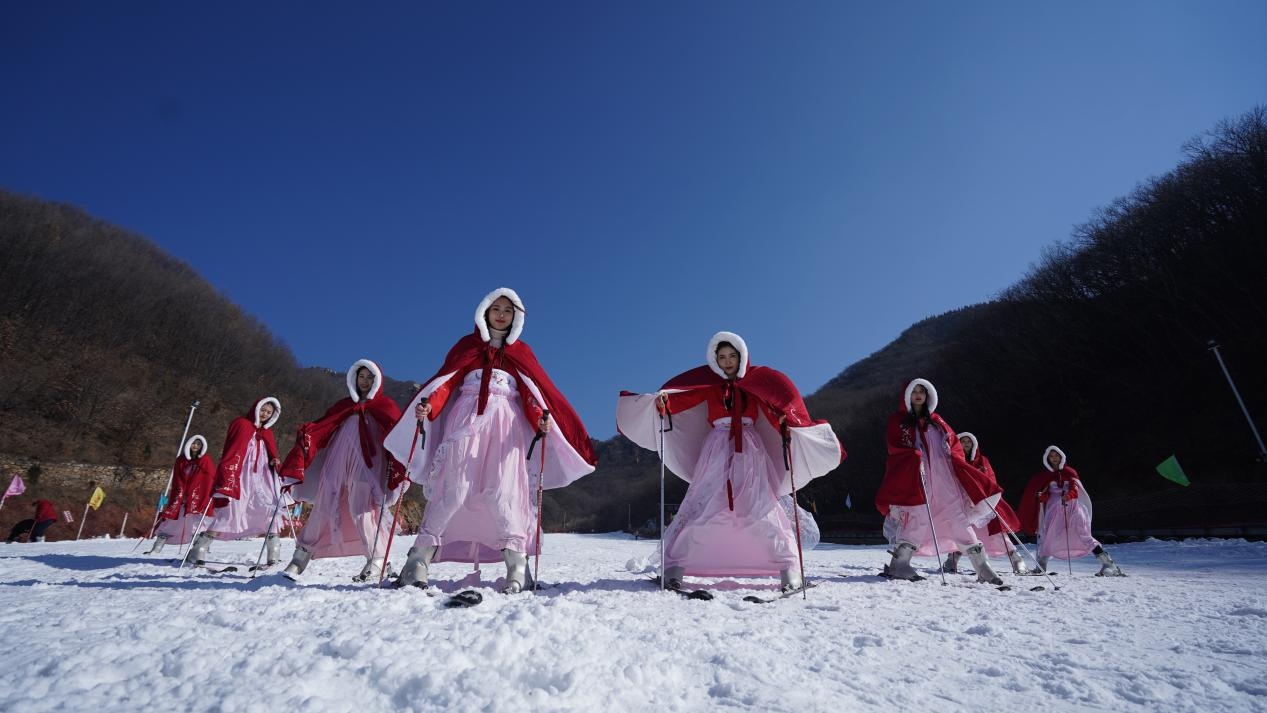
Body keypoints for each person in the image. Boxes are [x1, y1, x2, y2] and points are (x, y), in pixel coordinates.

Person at [383, 288, 597, 593]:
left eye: (507, 310)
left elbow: (530, 393)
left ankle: (517, 566)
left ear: (517, 318)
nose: (500, 314)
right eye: (495, 308)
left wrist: (539, 417)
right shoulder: (467, 347)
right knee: (454, 488)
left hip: (506, 426)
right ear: (484, 312)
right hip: (466, 421)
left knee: (503, 491)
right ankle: (418, 561)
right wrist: (430, 406)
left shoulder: (522, 353)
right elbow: (447, 382)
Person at [616, 332, 844, 593]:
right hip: (716, 447)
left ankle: (789, 568)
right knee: (704, 506)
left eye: (732, 356)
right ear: (715, 360)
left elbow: (773, 408)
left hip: (749, 448)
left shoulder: (756, 384)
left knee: (760, 507)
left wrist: (784, 423)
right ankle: (675, 567)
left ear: (741, 358)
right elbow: (683, 399)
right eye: (721, 357)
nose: (727, 362)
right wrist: (666, 403)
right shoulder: (709, 387)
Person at [279, 359, 408, 582]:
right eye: (361, 377)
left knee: (362, 508)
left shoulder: (385, 405)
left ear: (377, 380)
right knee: (324, 504)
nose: (365, 381)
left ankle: (377, 560)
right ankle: (300, 558)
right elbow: (324, 426)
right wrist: (307, 434)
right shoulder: (343, 405)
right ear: (354, 379)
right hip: (338, 458)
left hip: (368, 463)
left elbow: (398, 433)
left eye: (370, 377)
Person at [875, 379, 1006, 585]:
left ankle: (982, 566)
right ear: (907, 395)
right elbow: (895, 447)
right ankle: (899, 564)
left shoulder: (938, 421)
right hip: (917, 475)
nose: (918, 395)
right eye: (914, 391)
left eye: (922, 391)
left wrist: (952, 454)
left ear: (928, 395)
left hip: (944, 476)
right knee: (918, 515)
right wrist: (913, 455)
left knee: (957, 516)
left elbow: (955, 446)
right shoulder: (899, 420)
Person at [185, 397, 284, 566]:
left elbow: (270, 454)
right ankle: (199, 548)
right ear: (256, 408)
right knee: (230, 511)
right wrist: (227, 473)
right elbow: (232, 450)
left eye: (269, 413)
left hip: (262, 478)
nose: (265, 415)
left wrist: (274, 461)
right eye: (263, 410)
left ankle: (273, 552)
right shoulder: (241, 424)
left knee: (269, 511)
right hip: (240, 476)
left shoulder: (267, 433)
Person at [1019, 446, 1123, 576]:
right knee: (1048, 536)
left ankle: (1109, 564)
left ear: (1061, 456)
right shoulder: (1046, 475)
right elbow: (1047, 495)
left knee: (1084, 535)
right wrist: (1041, 496)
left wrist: (1068, 496)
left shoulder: (1070, 472)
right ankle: (1041, 566)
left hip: (1072, 509)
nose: (1054, 458)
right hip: (1053, 511)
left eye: (1056, 455)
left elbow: (1076, 489)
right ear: (1047, 459)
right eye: (1051, 456)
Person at [940, 433, 1027, 575]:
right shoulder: (952, 461)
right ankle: (952, 559)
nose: (966, 444)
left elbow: (991, 480)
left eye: (969, 442)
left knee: (996, 533)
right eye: (963, 441)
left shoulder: (982, 461)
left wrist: (981, 478)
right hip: (963, 501)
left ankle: (1017, 559)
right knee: (963, 530)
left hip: (982, 501)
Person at [146, 435, 217, 555]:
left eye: (198, 444)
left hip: (198, 497)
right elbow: (178, 478)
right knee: (172, 520)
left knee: (198, 523)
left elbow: (210, 478)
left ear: (202, 447)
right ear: (188, 444)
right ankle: (158, 546)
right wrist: (181, 493)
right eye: (193, 443)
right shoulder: (181, 460)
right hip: (182, 495)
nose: (195, 446)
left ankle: (198, 548)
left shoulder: (206, 460)